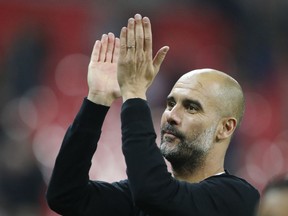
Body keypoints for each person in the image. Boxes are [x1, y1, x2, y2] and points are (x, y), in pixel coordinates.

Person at [46, 14, 259, 216]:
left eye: (192, 108)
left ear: (225, 128)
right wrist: (97, 100)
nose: (171, 116)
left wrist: (134, 94)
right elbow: (65, 195)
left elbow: (155, 194)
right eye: (170, 103)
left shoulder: (238, 198)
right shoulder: (139, 196)